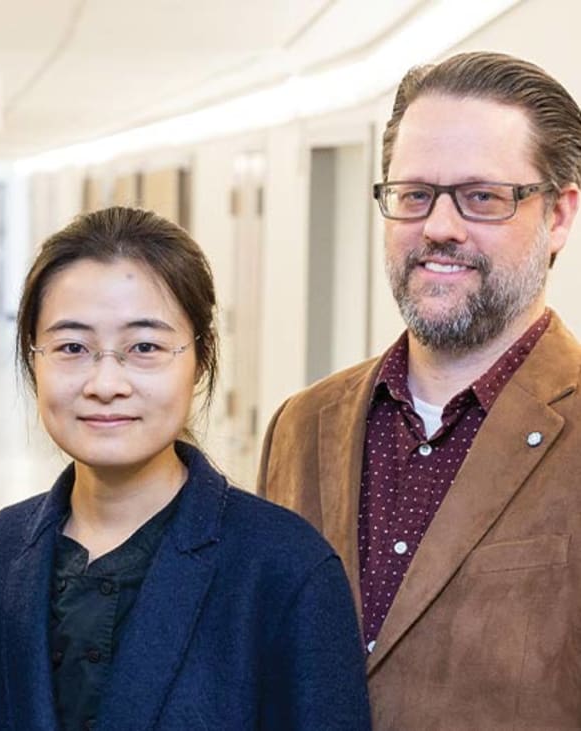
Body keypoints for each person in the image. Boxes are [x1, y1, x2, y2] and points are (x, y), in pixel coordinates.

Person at [258, 51, 581, 729]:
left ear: (558, 214)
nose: (438, 226)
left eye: (483, 197)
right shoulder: (301, 423)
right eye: (414, 194)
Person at [0, 206, 370, 730]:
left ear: (200, 360)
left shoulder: (284, 568)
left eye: (145, 347)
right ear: (31, 360)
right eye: (72, 347)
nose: (106, 383)